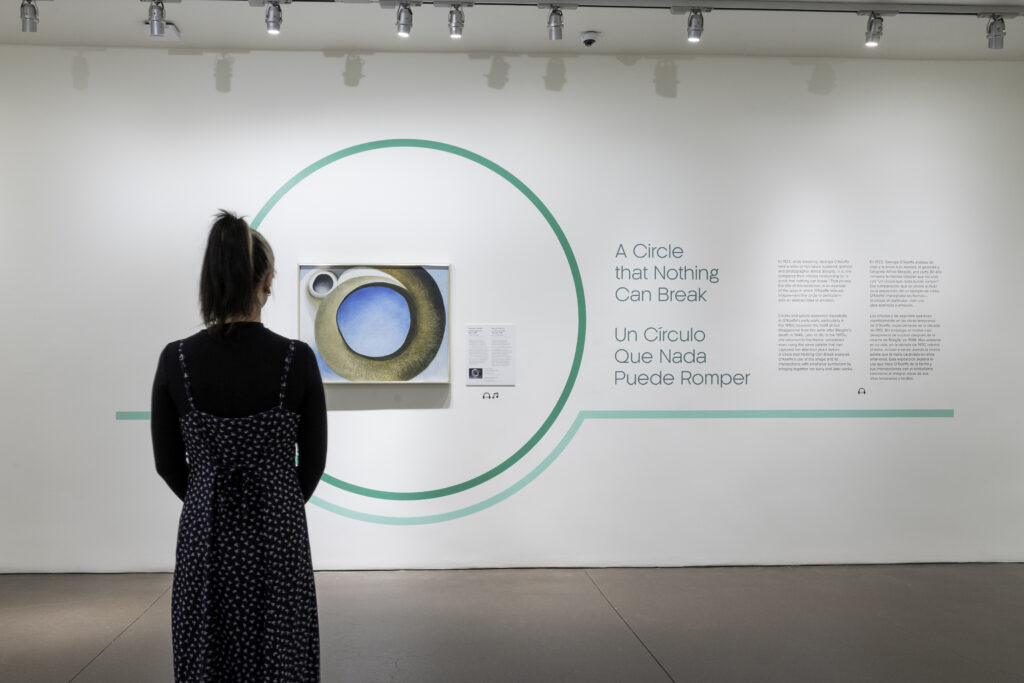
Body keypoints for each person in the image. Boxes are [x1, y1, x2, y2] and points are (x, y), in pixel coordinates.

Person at [151, 210, 327, 682]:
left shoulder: (176, 359)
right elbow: (313, 462)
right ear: (266, 279)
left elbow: (167, 463)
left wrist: (210, 494)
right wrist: (277, 497)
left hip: (204, 532)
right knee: (281, 646)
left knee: (207, 645)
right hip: (279, 529)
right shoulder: (298, 359)